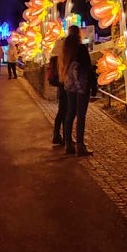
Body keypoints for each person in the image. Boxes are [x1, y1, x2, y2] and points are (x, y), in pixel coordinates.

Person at [62, 26, 96, 156]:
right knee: (81, 115)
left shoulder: (66, 49)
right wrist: (93, 85)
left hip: (70, 84)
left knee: (71, 113)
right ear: (78, 34)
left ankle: (68, 144)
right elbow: (88, 67)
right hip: (82, 84)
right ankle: (80, 146)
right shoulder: (81, 48)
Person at [48, 37, 66, 145]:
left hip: (59, 85)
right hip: (63, 85)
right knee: (64, 111)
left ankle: (57, 134)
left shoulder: (53, 56)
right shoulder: (61, 57)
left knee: (61, 111)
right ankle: (63, 136)